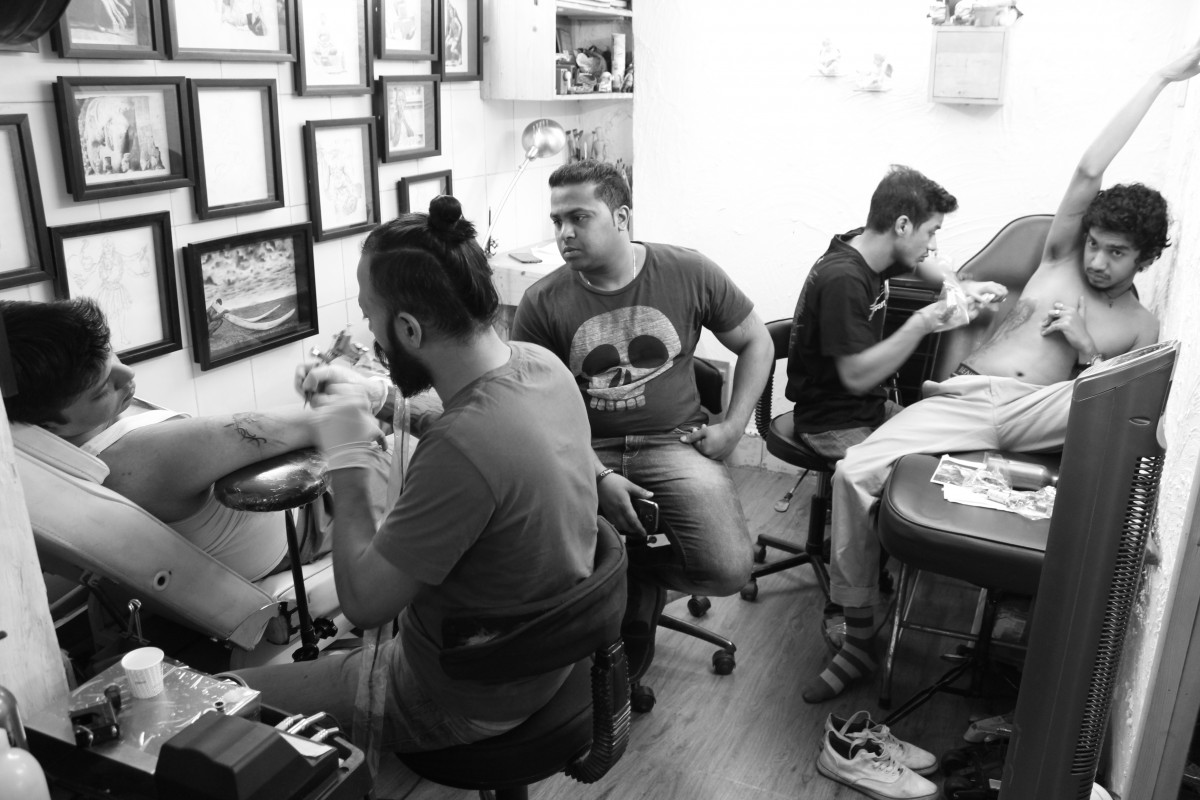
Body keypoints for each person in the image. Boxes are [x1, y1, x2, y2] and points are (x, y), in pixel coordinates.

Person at [803, 35, 1200, 704]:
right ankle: (860, 633)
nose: (1098, 261)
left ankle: (1080, 582)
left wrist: (1087, 350)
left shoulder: (1141, 326)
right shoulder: (1059, 258)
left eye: (1117, 253)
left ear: (1147, 259)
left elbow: (1117, 411)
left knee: (1114, 398)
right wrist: (1163, 76)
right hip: (968, 397)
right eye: (1096, 245)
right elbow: (1090, 167)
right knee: (851, 473)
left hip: (1047, 411)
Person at [234, 196, 600, 755]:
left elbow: (364, 603)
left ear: (407, 328)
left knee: (222, 698)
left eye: (370, 318)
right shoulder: (540, 365)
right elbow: (478, 424)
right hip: (540, 657)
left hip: (464, 698)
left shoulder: (461, 447)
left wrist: (348, 455)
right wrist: (374, 395)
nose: (369, 334)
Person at [510, 160, 774, 608]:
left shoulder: (688, 271)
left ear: (621, 217)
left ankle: (624, 576)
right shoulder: (542, 302)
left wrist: (733, 428)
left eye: (579, 217)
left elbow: (757, 342)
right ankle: (606, 589)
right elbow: (532, 412)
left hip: (674, 444)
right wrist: (598, 474)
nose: (565, 233)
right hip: (584, 451)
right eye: (557, 221)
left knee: (730, 567)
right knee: (539, 566)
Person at [1, 297, 387, 583]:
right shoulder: (142, 456)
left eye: (113, 356)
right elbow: (332, 421)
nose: (128, 375)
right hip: (308, 526)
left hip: (279, 518)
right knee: (408, 449)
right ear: (52, 423)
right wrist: (370, 391)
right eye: (103, 388)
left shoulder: (47, 438)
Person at [786, 166, 1007, 648]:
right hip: (831, 419)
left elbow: (930, 266)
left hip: (864, 407)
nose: (933, 244)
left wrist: (959, 287)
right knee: (879, 486)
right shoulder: (844, 279)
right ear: (902, 225)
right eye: (931, 231)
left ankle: (869, 569)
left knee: (942, 455)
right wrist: (923, 322)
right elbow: (856, 376)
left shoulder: (867, 245)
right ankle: (847, 607)